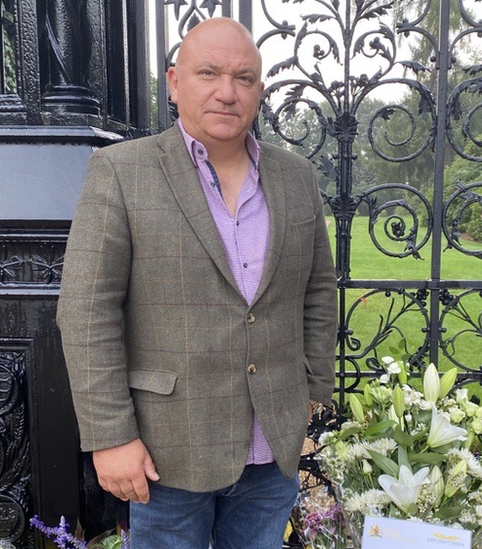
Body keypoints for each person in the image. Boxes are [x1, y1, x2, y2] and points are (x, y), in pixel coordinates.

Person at [56, 16, 337, 549]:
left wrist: (311, 387)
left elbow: (318, 289)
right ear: (175, 83)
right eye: (208, 72)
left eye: (245, 77)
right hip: (168, 448)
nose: (227, 92)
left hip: (270, 441)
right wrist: (111, 436)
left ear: (259, 90)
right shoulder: (122, 171)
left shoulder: (296, 176)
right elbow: (86, 311)